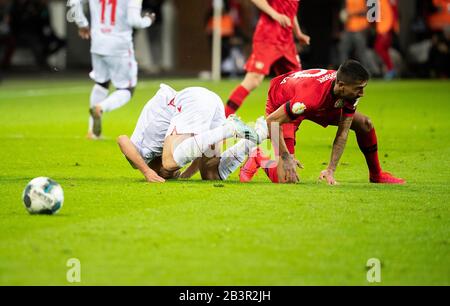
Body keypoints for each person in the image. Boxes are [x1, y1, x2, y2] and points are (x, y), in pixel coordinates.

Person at [240, 60, 405, 185]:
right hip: (284, 100)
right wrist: (285, 156)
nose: (362, 93)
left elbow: (343, 133)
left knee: (364, 123)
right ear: (341, 85)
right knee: (287, 178)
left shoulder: (348, 92)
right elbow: (272, 121)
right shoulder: (309, 98)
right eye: (359, 89)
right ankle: (258, 156)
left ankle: (376, 174)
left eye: (363, 87)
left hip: (321, 105)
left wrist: (330, 170)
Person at [117, 84, 267, 183]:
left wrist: (146, 172)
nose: (172, 174)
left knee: (169, 162)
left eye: (163, 175)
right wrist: (186, 175)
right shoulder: (176, 145)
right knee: (210, 175)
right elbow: (199, 149)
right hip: (209, 101)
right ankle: (260, 133)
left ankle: (229, 128)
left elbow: (122, 139)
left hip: (191, 100)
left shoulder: (142, 154)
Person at [70, 0, 155, 139]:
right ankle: (101, 108)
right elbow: (134, 20)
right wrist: (148, 20)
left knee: (101, 83)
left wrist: (82, 23)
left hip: (97, 42)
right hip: (119, 45)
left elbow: (73, 2)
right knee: (127, 89)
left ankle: (92, 132)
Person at [224, 0, 310, 117]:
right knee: (253, 79)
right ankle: (222, 119)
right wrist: (274, 14)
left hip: (286, 40)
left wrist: (298, 33)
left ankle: (282, 132)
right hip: (268, 37)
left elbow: (290, 9)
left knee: (294, 86)